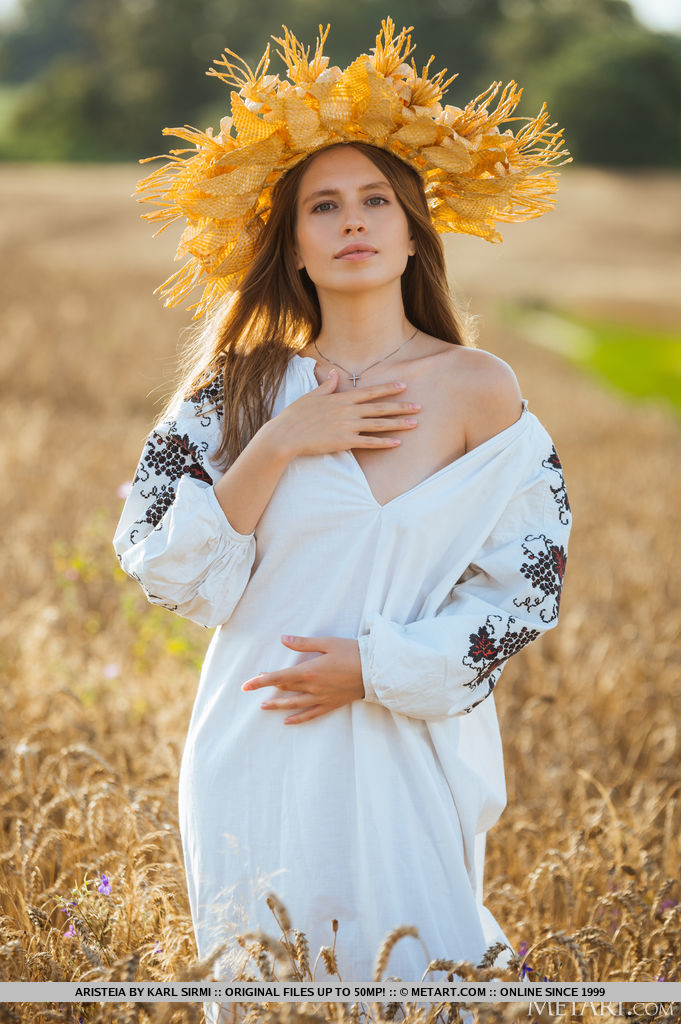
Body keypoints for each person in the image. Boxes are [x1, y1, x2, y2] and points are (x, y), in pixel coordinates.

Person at [113, 17, 572, 1016]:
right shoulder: (235, 392)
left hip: (402, 741)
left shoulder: (480, 387)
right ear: (295, 244)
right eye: (324, 205)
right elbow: (166, 567)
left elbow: (527, 585)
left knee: (426, 981)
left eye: (377, 201)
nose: (353, 220)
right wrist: (284, 439)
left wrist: (375, 667)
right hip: (258, 735)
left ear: (414, 229)